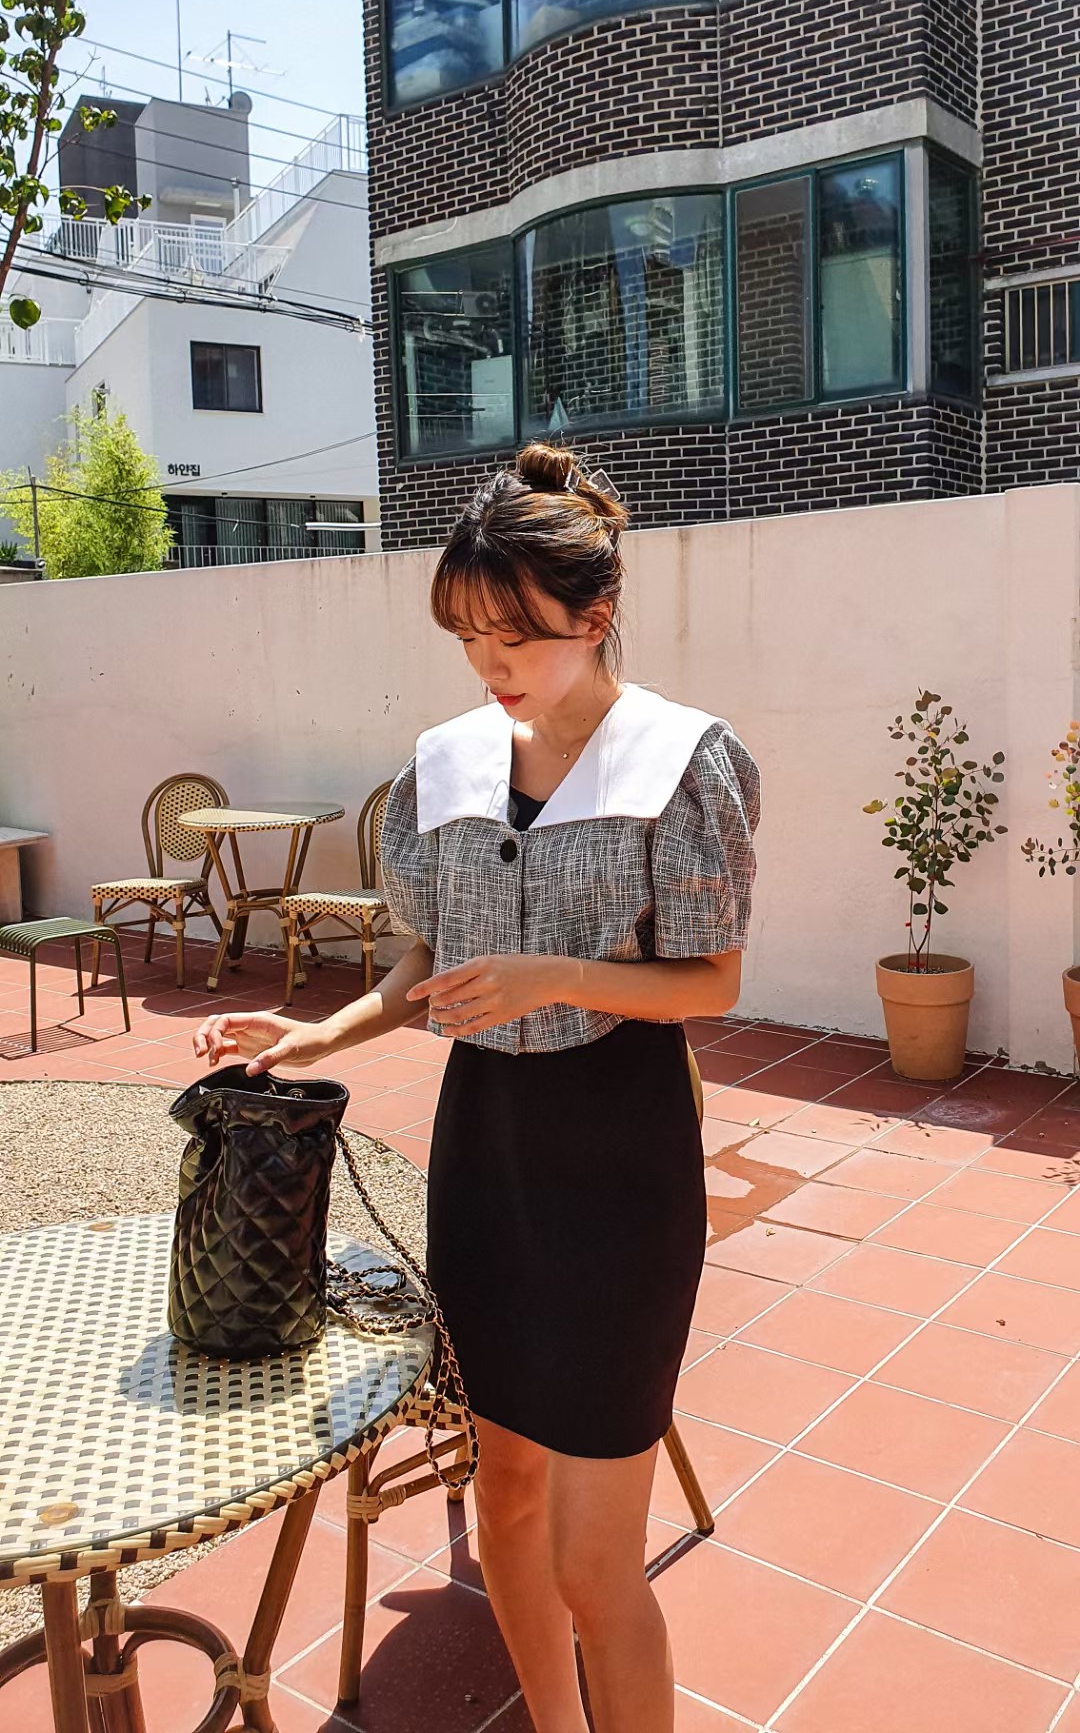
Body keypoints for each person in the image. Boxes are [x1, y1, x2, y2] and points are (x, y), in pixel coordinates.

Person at [192, 442, 760, 1733]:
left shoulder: (682, 760)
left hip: (621, 1159)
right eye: (468, 637)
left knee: (599, 1560)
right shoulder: (446, 764)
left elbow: (713, 979)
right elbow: (427, 961)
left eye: (516, 636)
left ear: (596, 615)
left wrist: (555, 973)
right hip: (486, 1157)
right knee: (503, 1494)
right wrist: (317, 1034)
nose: (490, 663)